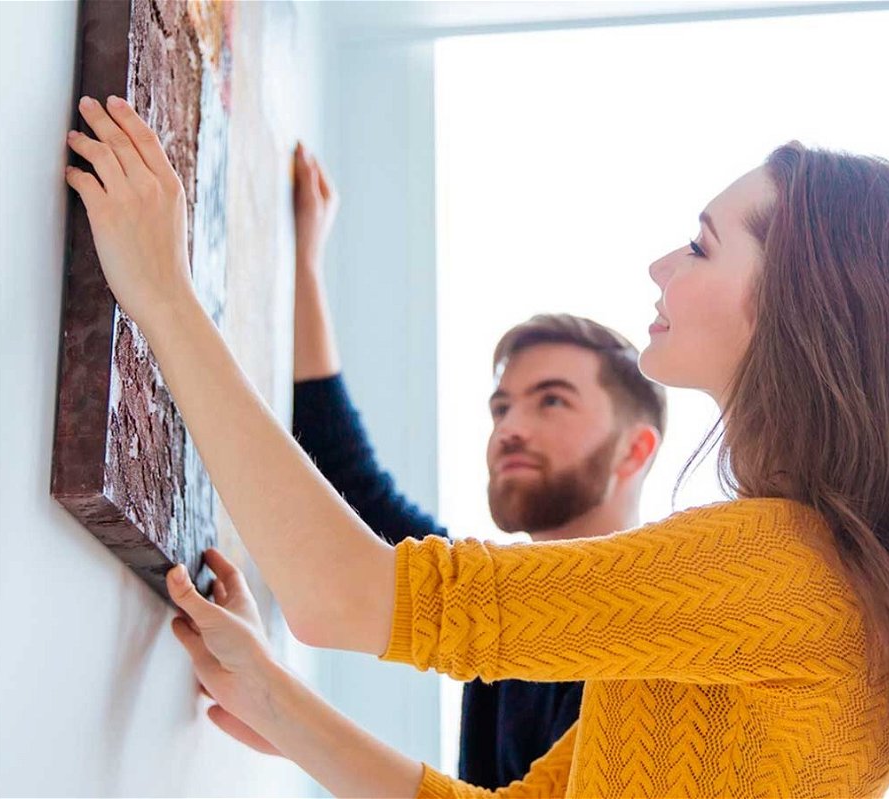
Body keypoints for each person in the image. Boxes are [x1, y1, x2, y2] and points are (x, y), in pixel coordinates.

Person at [64, 95, 889, 798]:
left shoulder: (779, 568)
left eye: (700, 244)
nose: (659, 265)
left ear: (801, 305)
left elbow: (340, 598)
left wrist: (158, 287)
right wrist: (275, 702)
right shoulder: (788, 583)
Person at [280, 143, 667, 788]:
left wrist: (282, 712)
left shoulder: (652, 645)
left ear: (636, 449)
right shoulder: (496, 604)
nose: (509, 428)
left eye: (551, 401)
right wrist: (305, 266)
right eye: (500, 406)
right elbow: (349, 484)